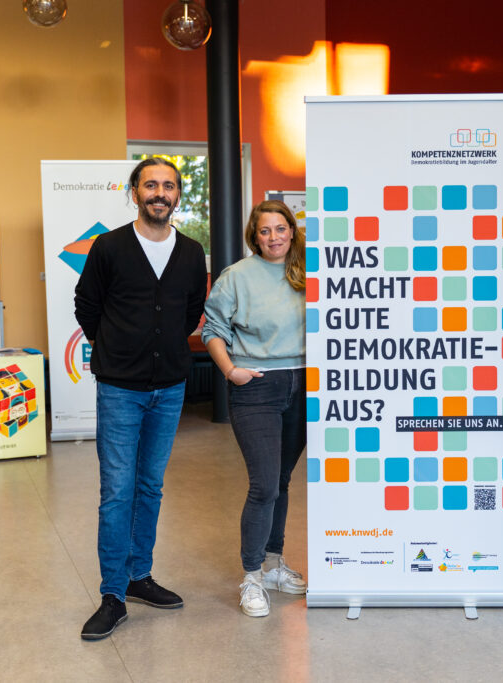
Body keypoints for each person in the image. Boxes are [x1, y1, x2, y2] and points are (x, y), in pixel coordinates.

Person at [74, 158, 208, 640]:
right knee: (117, 491)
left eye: (168, 186)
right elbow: (86, 305)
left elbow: (191, 311)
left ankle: (138, 576)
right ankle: (113, 593)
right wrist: (116, 347)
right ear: (134, 192)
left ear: (177, 195)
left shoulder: (191, 252)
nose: (160, 193)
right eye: (150, 184)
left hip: (169, 387)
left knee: (150, 486)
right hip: (119, 388)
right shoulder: (109, 247)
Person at [202, 200, 307, 618]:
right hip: (257, 387)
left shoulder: (307, 271)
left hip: (304, 384)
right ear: (254, 236)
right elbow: (213, 330)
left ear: (292, 231)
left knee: (281, 481)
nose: (274, 237)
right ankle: (251, 575)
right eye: (265, 231)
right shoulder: (237, 277)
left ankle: (274, 563)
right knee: (263, 484)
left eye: (280, 228)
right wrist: (231, 371)